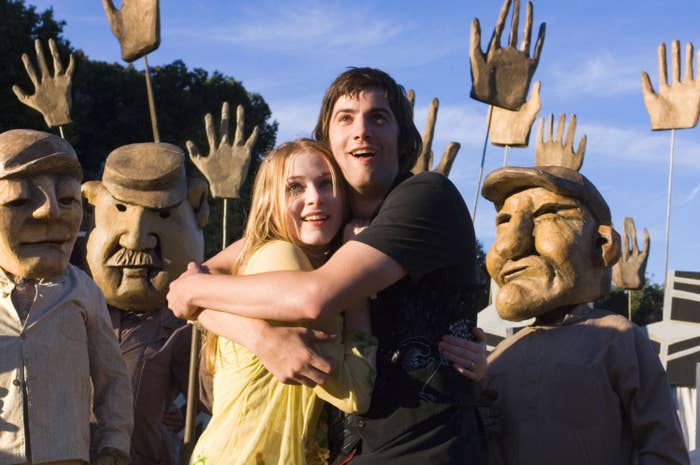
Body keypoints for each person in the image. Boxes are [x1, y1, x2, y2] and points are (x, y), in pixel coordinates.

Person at [168, 68, 487, 464]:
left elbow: (313, 297)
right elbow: (205, 276)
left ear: (402, 138)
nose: (362, 130)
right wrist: (259, 336)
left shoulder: (425, 196)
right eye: (346, 117)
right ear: (327, 142)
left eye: (379, 117)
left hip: (426, 451)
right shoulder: (324, 224)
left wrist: (192, 294)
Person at [462, 157, 689, 463]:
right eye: (504, 221)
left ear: (603, 244)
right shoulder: (500, 357)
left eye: (547, 215)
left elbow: (662, 450)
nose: (510, 246)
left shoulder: (618, 340)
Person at [189, 139, 376, 465]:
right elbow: (354, 391)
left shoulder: (256, 259)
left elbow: (188, 293)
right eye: (294, 188)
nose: (314, 198)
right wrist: (357, 266)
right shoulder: (284, 259)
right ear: (269, 201)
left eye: (325, 183)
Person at [0, 129, 132, 465]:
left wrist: (114, 442)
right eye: (19, 199)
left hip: (65, 455)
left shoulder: (84, 291)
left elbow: (112, 378)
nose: (51, 213)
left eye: (68, 199)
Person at [82, 142, 209, 465]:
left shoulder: (181, 328)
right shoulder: (74, 306)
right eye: (121, 209)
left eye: (163, 214)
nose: (136, 239)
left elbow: (212, 395)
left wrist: (184, 413)